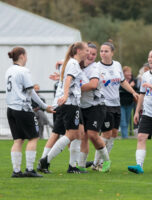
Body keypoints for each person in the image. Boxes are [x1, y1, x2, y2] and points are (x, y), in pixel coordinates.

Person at [38, 42, 89, 173]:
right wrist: (66, 95)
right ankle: (45, 161)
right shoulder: (73, 63)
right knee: (72, 134)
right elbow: (68, 79)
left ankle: (72, 166)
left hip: (70, 103)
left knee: (79, 132)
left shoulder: (71, 63)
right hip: (69, 104)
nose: (87, 53)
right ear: (78, 51)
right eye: (86, 50)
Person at [5, 47, 54, 177]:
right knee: (34, 137)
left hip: (10, 109)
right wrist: (44, 106)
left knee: (18, 140)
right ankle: (30, 169)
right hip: (22, 109)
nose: (27, 58)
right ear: (22, 56)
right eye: (26, 55)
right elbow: (31, 92)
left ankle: (16, 171)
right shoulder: (23, 71)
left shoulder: (9, 70)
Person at [93, 41, 139, 169]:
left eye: (106, 51)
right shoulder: (96, 67)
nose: (103, 53)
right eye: (101, 51)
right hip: (104, 104)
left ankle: (101, 161)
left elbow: (123, 82)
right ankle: (97, 163)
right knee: (106, 135)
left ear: (112, 53)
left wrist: (133, 92)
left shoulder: (117, 65)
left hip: (116, 104)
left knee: (113, 134)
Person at [77, 42, 111, 172]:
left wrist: (73, 88)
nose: (90, 56)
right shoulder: (78, 66)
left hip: (97, 106)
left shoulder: (95, 68)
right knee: (83, 136)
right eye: (88, 52)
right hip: (82, 106)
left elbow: (92, 84)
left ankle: (106, 161)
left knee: (92, 134)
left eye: (93, 54)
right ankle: (81, 165)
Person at [120, 66, 137, 139]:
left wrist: (133, 86)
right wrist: (130, 86)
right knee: (123, 121)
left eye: (130, 72)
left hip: (130, 103)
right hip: (121, 103)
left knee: (127, 120)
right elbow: (120, 88)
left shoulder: (134, 80)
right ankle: (125, 137)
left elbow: (136, 90)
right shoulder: (121, 80)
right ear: (124, 73)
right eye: (127, 72)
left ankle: (125, 136)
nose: (129, 73)